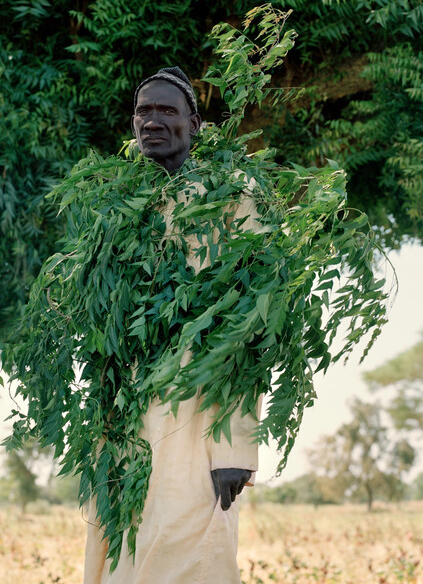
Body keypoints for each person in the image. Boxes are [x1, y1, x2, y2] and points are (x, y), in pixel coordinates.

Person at [83, 67, 262, 584]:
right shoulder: (119, 207)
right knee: (123, 554)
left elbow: (248, 323)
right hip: (127, 418)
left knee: (188, 551)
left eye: (167, 110)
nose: (153, 121)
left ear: (195, 124)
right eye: (144, 111)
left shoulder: (232, 194)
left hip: (198, 415)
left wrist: (235, 447)